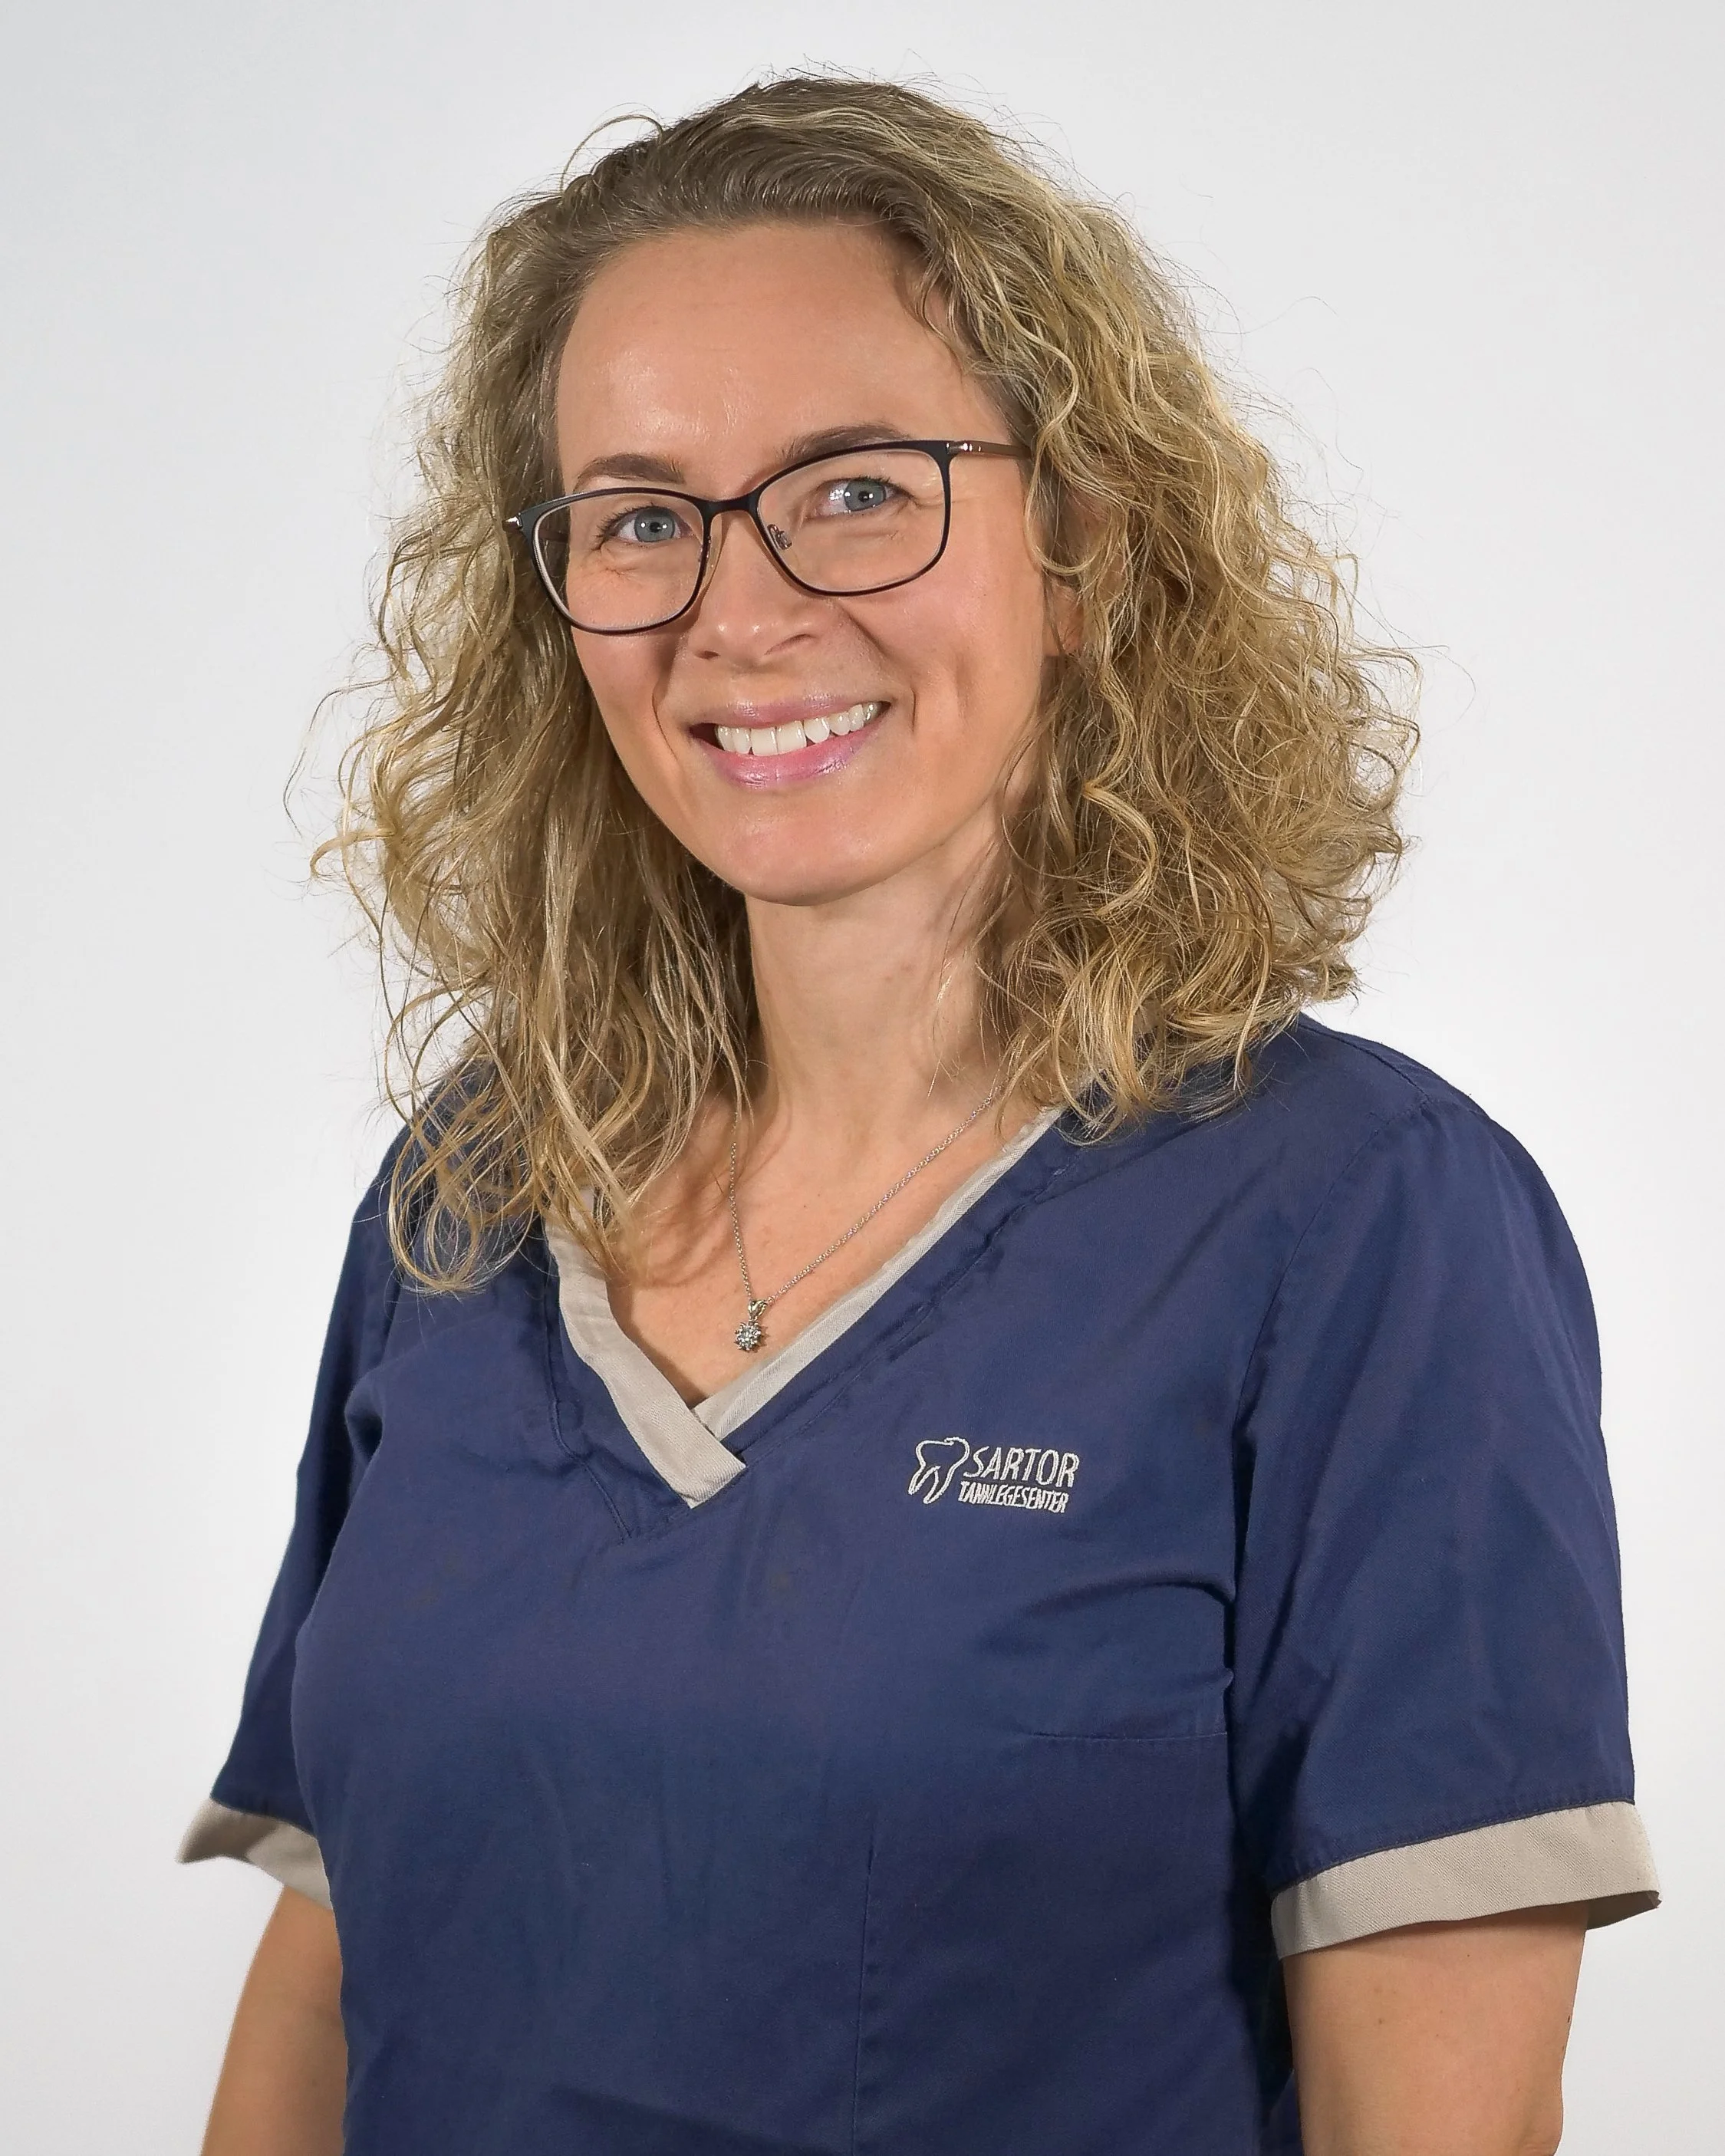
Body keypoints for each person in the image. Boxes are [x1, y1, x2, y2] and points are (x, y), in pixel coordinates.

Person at [181, 74, 1658, 2156]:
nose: (739, 610)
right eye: (640, 518)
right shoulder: (474, 1194)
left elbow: (1438, 2123)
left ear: (1087, 548)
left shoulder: (1364, 1225)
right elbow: (331, 1975)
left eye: (858, 488)